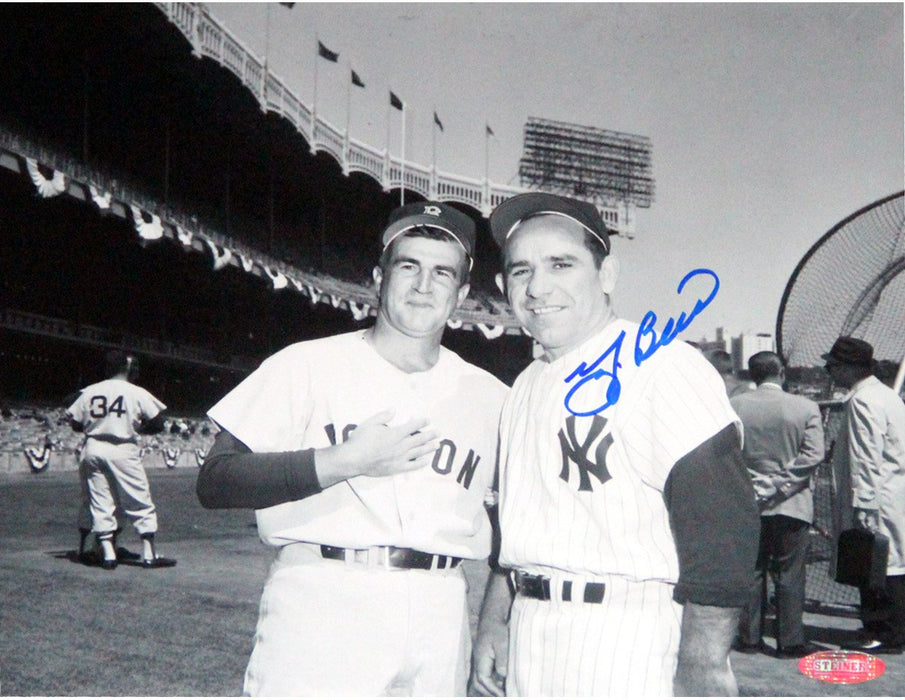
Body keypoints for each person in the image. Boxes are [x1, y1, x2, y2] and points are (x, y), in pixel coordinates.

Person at [198, 201, 508, 696]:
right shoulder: (305, 364)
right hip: (323, 598)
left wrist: (495, 622)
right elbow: (216, 479)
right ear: (378, 277)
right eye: (408, 266)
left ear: (462, 294)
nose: (423, 285)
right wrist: (342, 462)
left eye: (442, 273)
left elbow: (518, 528)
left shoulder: (493, 398)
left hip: (441, 608)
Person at [472, 192, 759, 697]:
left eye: (562, 264)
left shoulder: (661, 364)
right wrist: (495, 619)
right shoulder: (524, 386)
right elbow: (517, 526)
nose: (538, 287)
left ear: (606, 275)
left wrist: (704, 663)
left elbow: (722, 526)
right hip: (531, 628)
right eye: (521, 271)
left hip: (629, 633)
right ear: (502, 286)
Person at [730, 351, 825, 658]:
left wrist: (756, 483)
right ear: (781, 371)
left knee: (752, 571)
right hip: (791, 502)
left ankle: (749, 637)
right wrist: (781, 483)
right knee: (790, 574)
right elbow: (813, 455)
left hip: (748, 501)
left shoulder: (734, 405)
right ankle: (790, 641)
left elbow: (727, 453)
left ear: (753, 373)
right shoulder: (805, 407)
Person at [825, 336, 905, 654]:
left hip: (879, 494)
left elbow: (866, 455)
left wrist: (865, 502)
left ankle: (883, 632)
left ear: (849, 368)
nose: (829, 371)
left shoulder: (863, 400)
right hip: (893, 490)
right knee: (893, 562)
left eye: (832, 366)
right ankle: (890, 630)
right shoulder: (886, 396)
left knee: (873, 562)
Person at [65, 350, 176, 570]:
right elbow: (158, 423)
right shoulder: (135, 391)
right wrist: (134, 426)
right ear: (127, 368)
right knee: (138, 499)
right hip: (122, 447)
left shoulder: (89, 391)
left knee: (99, 500)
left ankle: (107, 553)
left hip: (93, 447)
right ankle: (148, 554)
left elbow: (75, 421)